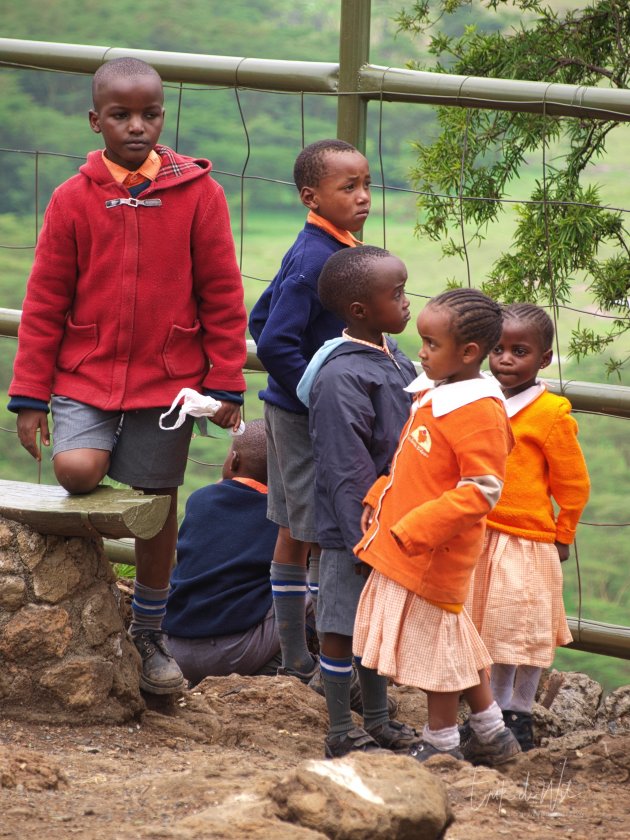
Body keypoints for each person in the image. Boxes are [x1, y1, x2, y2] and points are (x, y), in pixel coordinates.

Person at [7, 57, 248, 696]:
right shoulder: (73, 199)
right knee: (77, 471)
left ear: (162, 117)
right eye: (121, 115)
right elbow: (46, 299)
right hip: (83, 373)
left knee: (156, 497)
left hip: (169, 380)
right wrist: (31, 395)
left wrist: (225, 381)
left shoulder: (199, 195)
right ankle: (90, 581)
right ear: (96, 121)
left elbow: (222, 294)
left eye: (149, 114)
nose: (136, 126)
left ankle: (147, 626)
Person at [352, 288, 522, 767]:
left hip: (433, 551)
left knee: (435, 652)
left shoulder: (479, 411)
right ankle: (491, 731)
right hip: (413, 542)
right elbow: (413, 464)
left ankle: (442, 741)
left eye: (430, 344)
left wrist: (420, 527)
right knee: (452, 637)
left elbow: (482, 488)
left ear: (468, 353)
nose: (420, 352)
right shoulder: (439, 393)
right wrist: (378, 495)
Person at [248, 139, 371, 683]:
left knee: (297, 528)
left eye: (367, 184)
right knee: (320, 529)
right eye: (348, 188)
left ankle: (302, 652)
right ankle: (312, 656)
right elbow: (274, 340)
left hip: (296, 408)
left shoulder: (328, 247)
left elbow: (259, 316)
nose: (363, 196)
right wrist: (316, 393)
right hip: (304, 416)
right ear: (310, 196)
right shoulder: (316, 258)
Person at [296, 245, 421, 758]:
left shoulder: (393, 354)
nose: (407, 302)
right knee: (340, 625)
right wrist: (360, 537)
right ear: (360, 312)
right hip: (356, 528)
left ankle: (376, 719)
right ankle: (339, 732)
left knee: (370, 624)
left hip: (390, 518)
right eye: (397, 294)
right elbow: (344, 466)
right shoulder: (342, 376)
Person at [466, 303, 590, 751]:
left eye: (520, 351)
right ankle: (489, 714)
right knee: (488, 627)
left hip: (528, 538)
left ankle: (517, 713)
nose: (505, 360)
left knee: (525, 628)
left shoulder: (551, 413)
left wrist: (564, 533)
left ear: (544, 359)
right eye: (497, 349)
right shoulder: (476, 399)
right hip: (480, 534)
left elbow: (573, 482)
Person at [164, 420, 316, 684]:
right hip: (236, 652)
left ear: (233, 461)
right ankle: (298, 663)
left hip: (175, 649)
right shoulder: (287, 521)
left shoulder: (199, 500)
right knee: (313, 583)